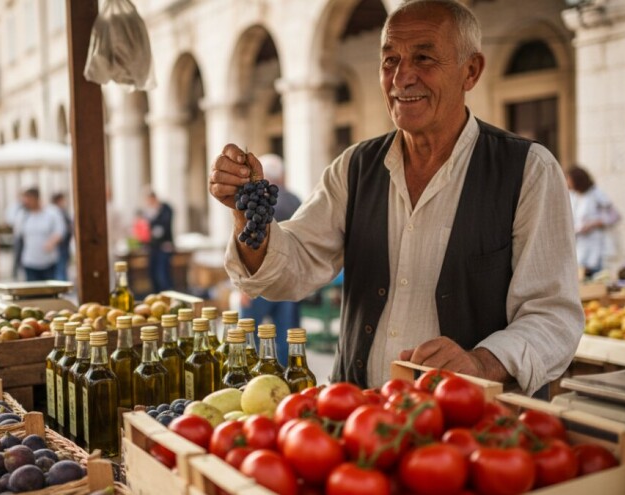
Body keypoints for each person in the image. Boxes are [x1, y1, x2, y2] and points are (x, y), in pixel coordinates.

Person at [209, 0, 583, 395]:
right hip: (359, 422)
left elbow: (553, 316)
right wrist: (247, 219)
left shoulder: (528, 170)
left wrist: (481, 362)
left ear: (470, 71)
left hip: (474, 433)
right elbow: (291, 269)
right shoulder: (354, 167)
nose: (402, 78)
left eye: (424, 58)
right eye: (390, 61)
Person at [239, 154, 302, 363]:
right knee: (285, 336)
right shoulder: (295, 200)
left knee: (249, 334)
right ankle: (284, 379)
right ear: (282, 176)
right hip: (287, 278)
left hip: (259, 277)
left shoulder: (254, 200)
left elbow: (245, 240)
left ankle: (249, 376)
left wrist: (243, 283)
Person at [566, 165, 619, 278]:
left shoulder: (596, 194)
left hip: (595, 246)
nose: (568, 182)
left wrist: (593, 224)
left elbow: (614, 216)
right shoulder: (573, 196)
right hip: (579, 246)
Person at [15, 187, 66, 281]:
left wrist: (52, 242)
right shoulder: (22, 215)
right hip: (30, 261)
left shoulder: (52, 213)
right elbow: (19, 235)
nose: (26, 203)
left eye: (29, 200)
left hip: (49, 260)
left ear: (36, 199)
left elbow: (60, 230)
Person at [144, 190, 174, 293]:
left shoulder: (165, 209)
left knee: (162, 275)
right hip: (153, 248)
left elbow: (163, 228)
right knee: (153, 275)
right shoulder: (149, 212)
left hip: (164, 247)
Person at [51, 192, 73, 281]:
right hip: (60, 246)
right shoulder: (55, 212)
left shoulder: (62, 211)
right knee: (60, 269)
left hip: (64, 245)